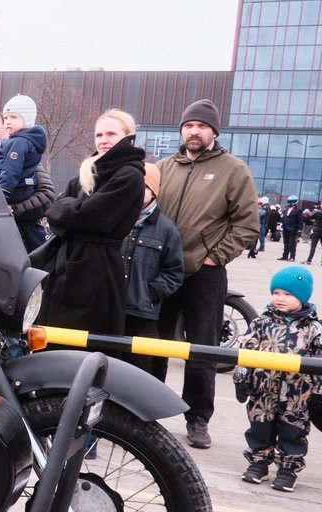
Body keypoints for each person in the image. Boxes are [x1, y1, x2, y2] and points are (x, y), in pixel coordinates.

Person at [154, 98, 259, 449]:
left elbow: (247, 224)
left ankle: (198, 417)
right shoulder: (165, 167)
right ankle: (145, 408)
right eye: (188, 125)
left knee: (202, 348)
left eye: (201, 126)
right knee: (153, 343)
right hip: (163, 270)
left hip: (205, 272)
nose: (193, 131)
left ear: (214, 131)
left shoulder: (233, 170)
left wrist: (216, 257)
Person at [38, 108, 146, 336]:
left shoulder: (130, 175)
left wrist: (67, 210)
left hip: (97, 270)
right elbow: (58, 208)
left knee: (85, 338)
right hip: (68, 264)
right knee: (54, 336)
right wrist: (69, 211)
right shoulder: (90, 169)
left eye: (111, 134)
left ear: (128, 136)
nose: (103, 140)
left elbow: (89, 216)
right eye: (99, 135)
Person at [233, 265, 322, 492]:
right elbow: (246, 350)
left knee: (294, 431)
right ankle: (259, 462)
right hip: (263, 390)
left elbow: (320, 362)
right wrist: (242, 376)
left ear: (303, 297)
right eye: (276, 293)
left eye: (287, 294)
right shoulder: (262, 323)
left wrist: (319, 392)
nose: (280, 298)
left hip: (297, 395)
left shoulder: (314, 329)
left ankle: (288, 469)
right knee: (259, 427)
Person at [119, 163, 184, 375]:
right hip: (112, 312)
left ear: (154, 191)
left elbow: (174, 272)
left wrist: (151, 293)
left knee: (139, 373)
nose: (137, 192)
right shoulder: (115, 221)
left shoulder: (167, 230)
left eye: (143, 186)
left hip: (143, 316)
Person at [0, 95, 49, 251]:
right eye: (6, 118)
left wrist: (1, 194)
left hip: (15, 190)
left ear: (26, 120)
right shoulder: (27, 141)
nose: (8, 121)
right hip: (24, 188)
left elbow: (11, 170)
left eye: (14, 117)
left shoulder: (18, 142)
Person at [279, 195, 303, 261]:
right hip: (285, 228)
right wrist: (282, 224)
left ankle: (292, 257)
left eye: (290, 202)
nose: (289, 203)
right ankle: (285, 256)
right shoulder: (286, 209)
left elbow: (300, 221)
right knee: (285, 242)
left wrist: (299, 229)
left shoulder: (298, 210)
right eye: (289, 201)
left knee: (292, 244)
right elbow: (284, 217)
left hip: (293, 229)